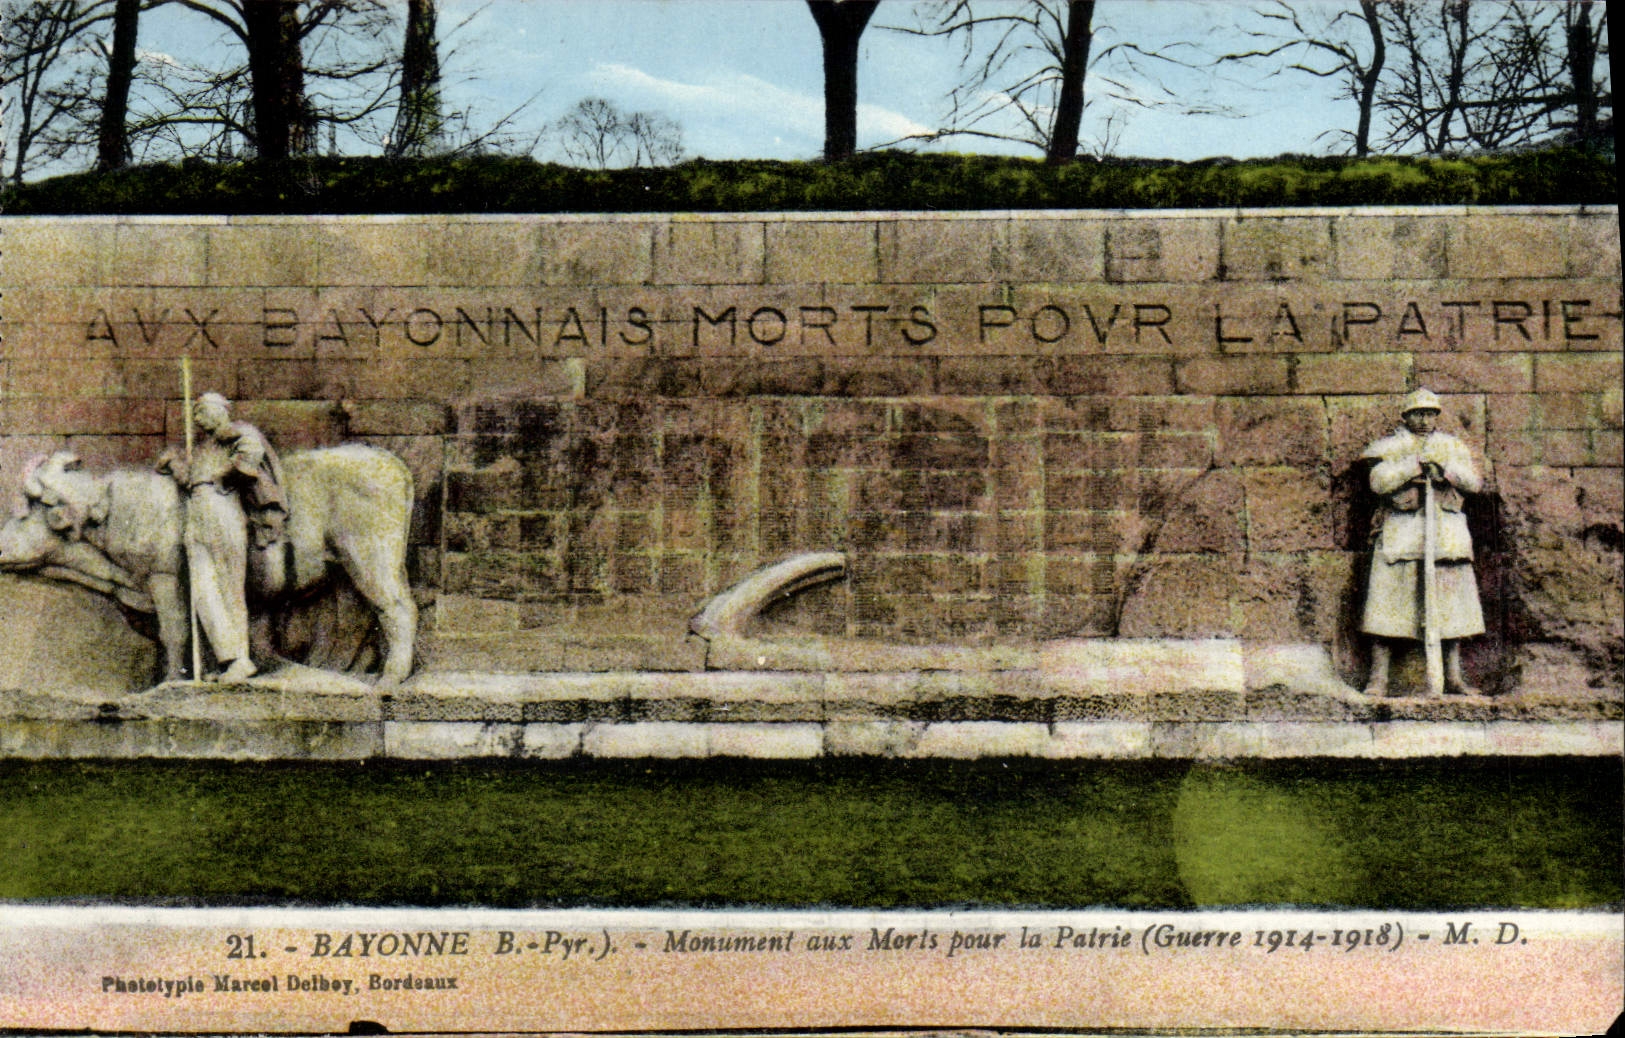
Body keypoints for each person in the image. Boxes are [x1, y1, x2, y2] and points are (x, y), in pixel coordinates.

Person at [1360, 388, 1484, 697]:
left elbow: (1474, 483)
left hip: (1445, 536)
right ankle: (1378, 679)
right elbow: (1378, 482)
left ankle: (1454, 676)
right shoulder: (1390, 446)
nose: (1424, 419)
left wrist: (1445, 470)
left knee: (1451, 609)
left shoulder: (1451, 446)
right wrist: (1414, 465)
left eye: (1430, 413)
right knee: (1386, 605)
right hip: (1402, 533)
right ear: (1405, 416)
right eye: (1418, 413)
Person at [158, 393, 287, 682]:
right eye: (195, 414)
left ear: (219, 411)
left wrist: (223, 472)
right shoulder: (202, 448)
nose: (196, 419)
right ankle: (228, 658)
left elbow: (250, 458)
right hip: (196, 512)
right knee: (203, 590)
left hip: (223, 509)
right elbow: (190, 480)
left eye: (201, 412)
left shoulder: (240, 431)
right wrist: (175, 464)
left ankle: (241, 659)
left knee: (229, 588)